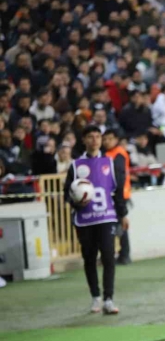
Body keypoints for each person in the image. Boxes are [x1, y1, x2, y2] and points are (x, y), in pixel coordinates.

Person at [63, 125, 129, 315]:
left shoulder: (110, 162)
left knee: (109, 257)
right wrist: (77, 202)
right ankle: (95, 297)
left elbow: (117, 194)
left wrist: (123, 214)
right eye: (90, 137)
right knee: (89, 259)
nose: (94, 140)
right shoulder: (76, 166)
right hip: (85, 220)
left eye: (97, 136)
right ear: (83, 140)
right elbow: (66, 194)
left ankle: (109, 299)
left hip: (107, 218)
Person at [103, 130, 133, 265]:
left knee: (120, 224)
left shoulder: (118, 153)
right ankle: (122, 254)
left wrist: (117, 193)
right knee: (117, 225)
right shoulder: (108, 154)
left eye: (110, 139)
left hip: (120, 193)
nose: (107, 142)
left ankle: (124, 254)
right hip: (113, 193)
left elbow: (119, 177)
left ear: (116, 140)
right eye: (105, 139)